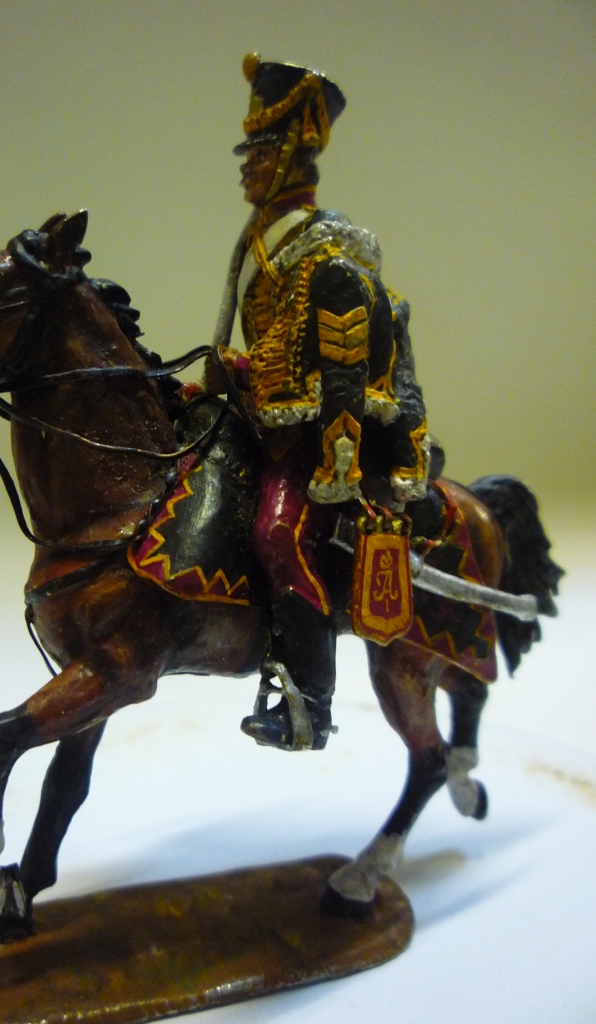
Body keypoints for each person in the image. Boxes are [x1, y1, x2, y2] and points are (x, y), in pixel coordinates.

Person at [205, 54, 441, 752]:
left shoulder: (326, 246)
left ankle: (309, 702)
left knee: (277, 534)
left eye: (259, 154)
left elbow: (337, 356)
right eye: (249, 154)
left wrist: (252, 374)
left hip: (316, 431)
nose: (246, 168)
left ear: (292, 159)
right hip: (257, 415)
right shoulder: (259, 241)